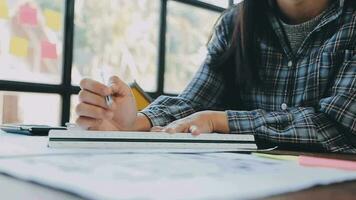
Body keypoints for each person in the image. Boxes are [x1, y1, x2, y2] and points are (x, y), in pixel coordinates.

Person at [75, 0, 355, 153]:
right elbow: (194, 102)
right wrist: (135, 122)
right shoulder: (236, 22)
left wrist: (218, 120)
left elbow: (337, 125)